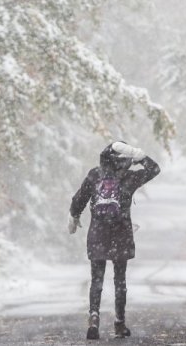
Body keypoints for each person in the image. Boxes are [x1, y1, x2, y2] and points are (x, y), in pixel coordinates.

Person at [68, 141, 160, 340]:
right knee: (120, 281)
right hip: (121, 234)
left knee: (97, 280)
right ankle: (119, 323)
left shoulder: (94, 175)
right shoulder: (129, 177)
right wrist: (139, 155)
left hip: (98, 234)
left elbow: (79, 199)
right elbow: (154, 169)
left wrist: (74, 216)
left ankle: (94, 318)